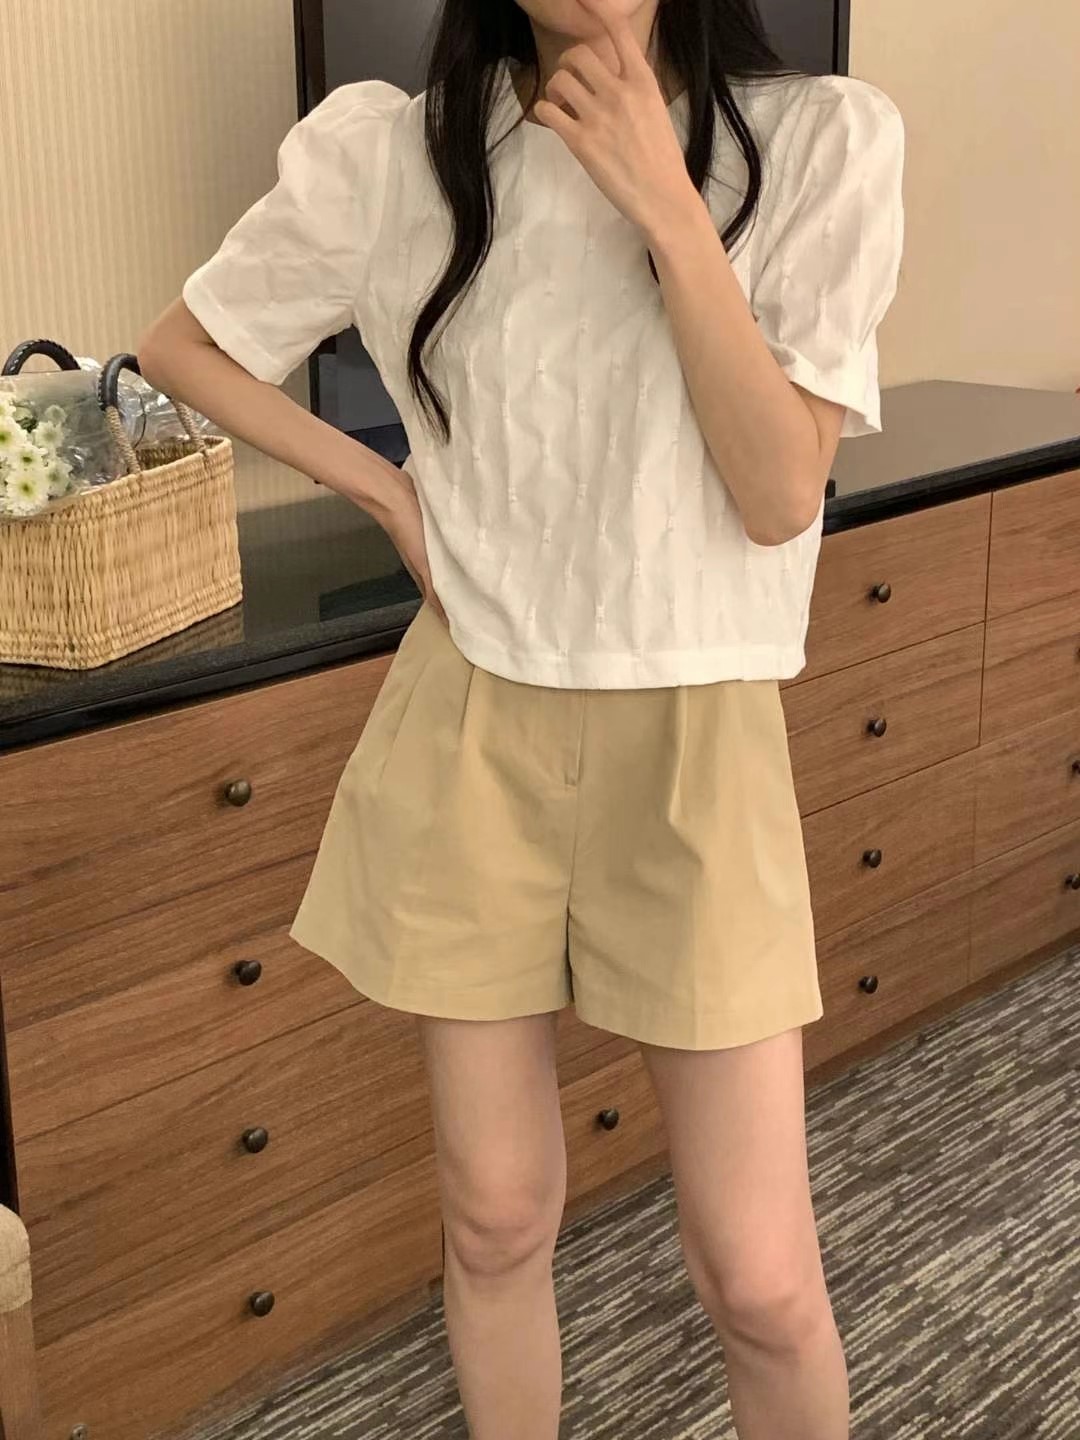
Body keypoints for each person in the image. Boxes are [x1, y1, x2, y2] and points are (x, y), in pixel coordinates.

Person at [138, 1, 905, 1435]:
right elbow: (186, 347)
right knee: (492, 1216)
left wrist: (667, 203)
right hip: (475, 710)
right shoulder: (402, 153)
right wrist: (386, 493)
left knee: (758, 1274)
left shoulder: (816, 140)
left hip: (694, 729)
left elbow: (774, 494)